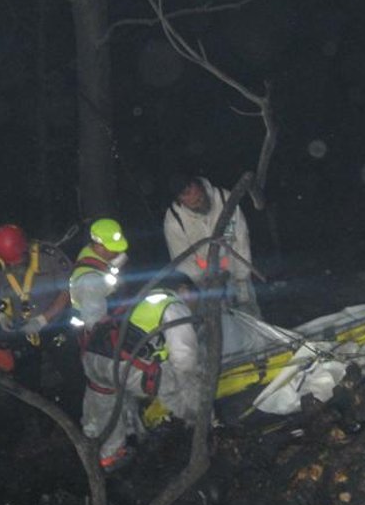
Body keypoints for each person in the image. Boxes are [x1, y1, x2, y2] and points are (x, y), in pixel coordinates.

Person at [80, 287, 203, 468]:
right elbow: (185, 358)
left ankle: (108, 456)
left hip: (94, 358)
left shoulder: (142, 297)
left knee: (103, 406)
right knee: (180, 388)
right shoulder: (173, 306)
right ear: (184, 290)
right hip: (122, 365)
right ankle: (204, 428)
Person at [0, 223, 85, 406]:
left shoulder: (49, 257)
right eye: (10, 262)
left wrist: (44, 319)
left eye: (18, 260)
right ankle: (35, 415)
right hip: (21, 330)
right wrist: (0, 315)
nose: (14, 265)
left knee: (73, 374)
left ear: (25, 247)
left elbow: (67, 290)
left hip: (56, 324)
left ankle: (77, 411)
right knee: (26, 383)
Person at [162, 174, 261, 318]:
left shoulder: (224, 199)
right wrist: (206, 281)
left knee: (249, 316)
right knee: (216, 321)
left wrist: (241, 277)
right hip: (205, 283)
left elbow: (240, 238)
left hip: (235, 273)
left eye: (193, 190)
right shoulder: (174, 220)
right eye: (185, 195)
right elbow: (182, 261)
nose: (193, 197)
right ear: (179, 200)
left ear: (199, 185)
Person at [68, 217, 129, 335]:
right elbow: (95, 326)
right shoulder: (90, 281)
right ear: (98, 246)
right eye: (113, 249)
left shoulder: (90, 251)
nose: (118, 253)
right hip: (89, 335)